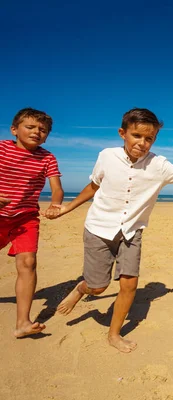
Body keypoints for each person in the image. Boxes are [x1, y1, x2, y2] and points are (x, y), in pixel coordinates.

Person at [47, 108, 173, 352]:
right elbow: (93, 186)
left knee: (129, 284)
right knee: (98, 287)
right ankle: (81, 289)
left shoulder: (159, 164)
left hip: (132, 231)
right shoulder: (106, 156)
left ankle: (114, 334)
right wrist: (67, 208)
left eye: (149, 138)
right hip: (99, 228)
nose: (142, 143)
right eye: (137, 135)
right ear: (123, 133)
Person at [0, 108, 64, 337]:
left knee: (28, 263)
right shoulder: (2, 148)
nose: (37, 132)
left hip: (25, 218)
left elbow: (56, 188)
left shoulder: (47, 158)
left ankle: (23, 323)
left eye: (43, 130)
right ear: (14, 129)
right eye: (30, 127)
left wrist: (55, 205)